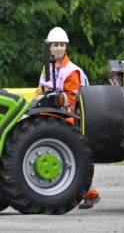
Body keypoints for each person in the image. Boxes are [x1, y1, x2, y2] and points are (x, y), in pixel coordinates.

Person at [36, 26, 100, 210]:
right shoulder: (47, 69)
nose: (59, 48)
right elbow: (40, 91)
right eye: (55, 45)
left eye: (62, 45)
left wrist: (52, 98)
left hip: (70, 120)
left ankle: (90, 193)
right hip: (54, 118)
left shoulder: (71, 71)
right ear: (49, 47)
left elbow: (71, 100)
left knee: (69, 160)